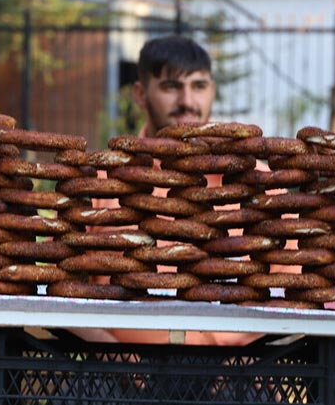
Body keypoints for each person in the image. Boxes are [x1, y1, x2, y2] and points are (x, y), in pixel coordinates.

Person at [72, 35, 268, 347]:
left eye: (199, 86)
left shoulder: (255, 181)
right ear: (140, 93)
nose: (187, 101)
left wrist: (230, 364)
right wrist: (116, 358)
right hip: (117, 378)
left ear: (212, 91)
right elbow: (66, 295)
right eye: (171, 87)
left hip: (235, 375)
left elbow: (289, 292)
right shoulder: (103, 181)